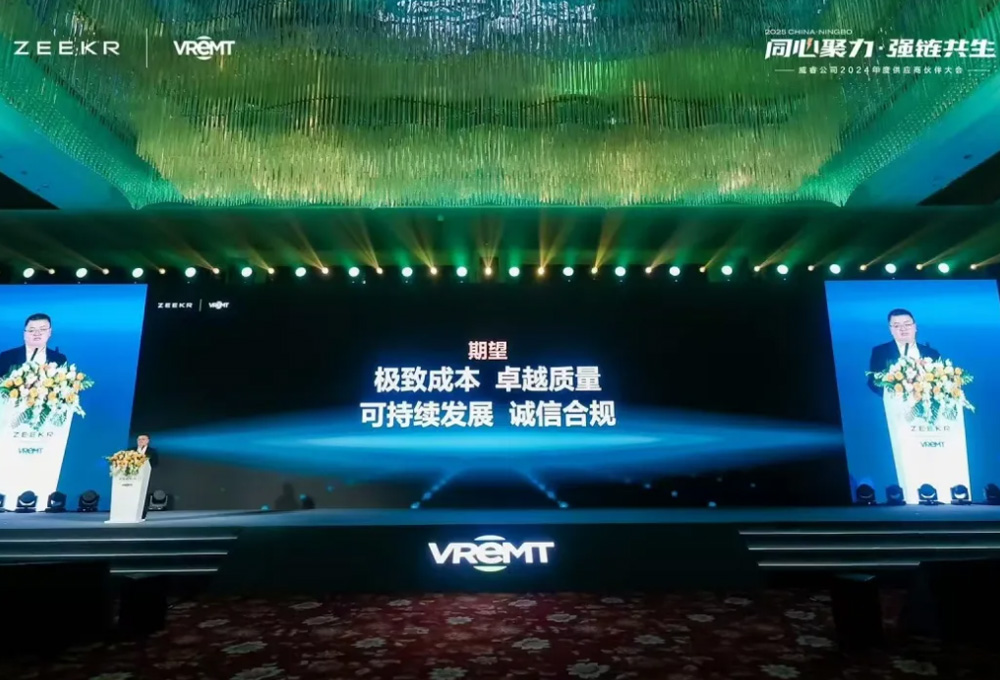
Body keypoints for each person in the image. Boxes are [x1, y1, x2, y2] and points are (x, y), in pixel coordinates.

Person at [867, 308, 941, 394]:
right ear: (891, 330)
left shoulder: (931, 353)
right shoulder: (880, 352)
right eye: (897, 326)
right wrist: (893, 393)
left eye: (907, 324)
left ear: (915, 327)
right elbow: (873, 382)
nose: (903, 328)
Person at [0, 313, 68, 378]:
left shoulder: (59, 358)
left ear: (50, 332)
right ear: (24, 334)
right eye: (31, 330)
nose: (37, 333)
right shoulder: (7, 357)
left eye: (42, 329)